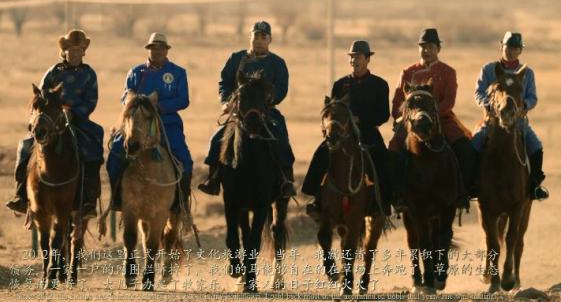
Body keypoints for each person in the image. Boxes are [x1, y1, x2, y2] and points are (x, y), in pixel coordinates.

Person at [6, 29, 103, 219]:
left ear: (84, 51)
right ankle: (21, 196)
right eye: (71, 50)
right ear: (64, 51)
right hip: (51, 120)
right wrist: (48, 114)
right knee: (25, 147)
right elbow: (40, 97)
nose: (75, 53)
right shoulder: (53, 72)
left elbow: (91, 101)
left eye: (79, 50)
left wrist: (73, 112)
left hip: (78, 121)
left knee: (93, 147)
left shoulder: (89, 74)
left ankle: (88, 201)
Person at [197, 20, 295, 197]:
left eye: (263, 37)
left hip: (266, 112)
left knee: (281, 136)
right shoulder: (236, 59)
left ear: (270, 40)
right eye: (255, 36)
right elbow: (224, 83)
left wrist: (268, 99)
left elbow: (281, 88)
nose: (259, 40)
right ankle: (213, 179)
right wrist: (226, 102)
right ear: (249, 37)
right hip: (239, 112)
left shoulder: (277, 63)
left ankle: (286, 179)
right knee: (216, 139)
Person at [302, 40, 391, 220]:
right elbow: (333, 110)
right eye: (351, 57)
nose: (354, 61)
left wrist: (360, 120)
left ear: (367, 59)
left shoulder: (380, 84)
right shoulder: (340, 84)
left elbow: (383, 115)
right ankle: (315, 199)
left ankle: (387, 201)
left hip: (367, 132)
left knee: (383, 158)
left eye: (358, 57)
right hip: (341, 133)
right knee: (321, 153)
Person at [388, 28, 476, 210]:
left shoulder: (448, 72)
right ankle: (396, 196)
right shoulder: (407, 72)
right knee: (393, 151)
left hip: (442, 120)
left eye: (430, 47)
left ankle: (463, 192)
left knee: (465, 149)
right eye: (423, 46)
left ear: (438, 49)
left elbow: (449, 101)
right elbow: (397, 102)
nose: (426, 50)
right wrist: (406, 117)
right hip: (412, 123)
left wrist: (431, 115)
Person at [106, 32, 193, 213]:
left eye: (161, 48)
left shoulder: (177, 73)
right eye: (154, 48)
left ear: (166, 50)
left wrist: (159, 106)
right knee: (115, 152)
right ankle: (116, 199)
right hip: (136, 123)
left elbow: (183, 100)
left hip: (167, 123)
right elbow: (124, 96)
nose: (157, 51)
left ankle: (180, 204)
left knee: (185, 160)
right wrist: (133, 101)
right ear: (149, 50)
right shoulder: (136, 72)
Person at [473, 31, 548, 200]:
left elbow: (532, 97)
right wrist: (488, 104)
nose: (512, 51)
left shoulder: (527, 74)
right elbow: (478, 92)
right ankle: (470, 184)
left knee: (536, 147)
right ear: (501, 46)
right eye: (509, 47)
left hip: (518, 122)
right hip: (491, 121)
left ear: (520, 51)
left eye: (516, 48)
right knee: (474, 144)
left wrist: (525, 106)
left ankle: (535, 186)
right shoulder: (489, 69)